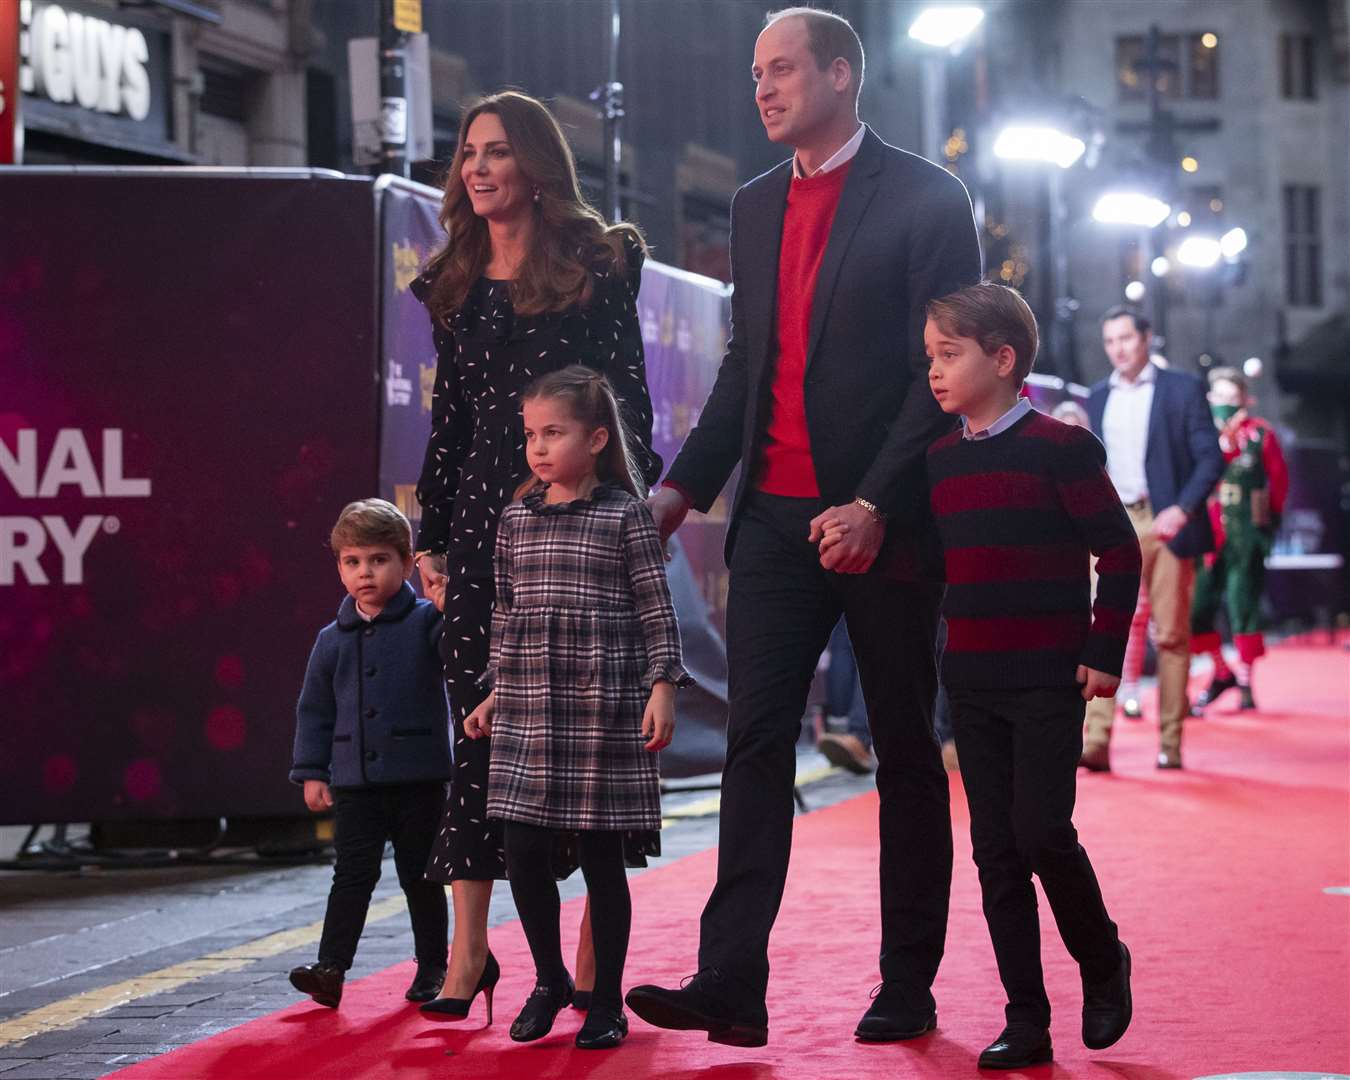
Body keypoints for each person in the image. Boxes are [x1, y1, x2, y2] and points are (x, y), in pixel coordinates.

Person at [626, 7, 981, 1048]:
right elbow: (749, 365)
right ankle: (731, 980)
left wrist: (876, 500)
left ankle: (907, 981)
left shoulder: (927, 196)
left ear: (841, 73)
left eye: (781, 70)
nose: (762, 89)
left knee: (907, 748)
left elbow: (942, 368)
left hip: (886, 521)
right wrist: (678, 493)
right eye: (754, 73)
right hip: (774, 524)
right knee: (753, 743)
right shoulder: (751, 205)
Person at [408, 90, 663, 1017]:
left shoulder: (597, 265)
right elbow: (450, 424)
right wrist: (430, 534)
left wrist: (617, 505)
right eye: (468, 151)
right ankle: (471, 956)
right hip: (482, 537)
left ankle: (594, 952)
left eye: (498, 152)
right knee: (481, 735)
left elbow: (627, 400)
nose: (477, 168)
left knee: (591, 739)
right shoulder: (453, 281)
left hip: (582, 530)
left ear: (537, 167)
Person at [916, 283, 1138, 1068]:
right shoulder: (939, 461)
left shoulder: (1061, 448)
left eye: (951, 355)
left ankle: (1103, 957)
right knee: (995, 852)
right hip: (972, 679)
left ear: (1003, 360)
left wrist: (1103, 651)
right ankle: (1026, 1016)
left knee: (1043, 831)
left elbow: (1118, 550)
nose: (935, 372)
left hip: (1048, 676)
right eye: (930, 356)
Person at [464, 366, 692, 1050]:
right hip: (532, 700)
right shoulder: (514, 520)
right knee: (524, 849)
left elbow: (657, 609)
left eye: (553, 433)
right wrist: (496, 691)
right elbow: (506, 615)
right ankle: (547, 978)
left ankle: (606, 1000)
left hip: (602, 705)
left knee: (601, 857)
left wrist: (662, 687)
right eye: (530, 434)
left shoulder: (625, 515)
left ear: (595, 439)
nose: (537, 447)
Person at [287, 499, 452, 1009]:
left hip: (418, 778)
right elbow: (314, 710)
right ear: (339, 566)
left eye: (378, 560)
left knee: (420, 875)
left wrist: (452, 611)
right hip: (354, 781)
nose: (365, 573)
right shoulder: (330, 640)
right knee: (352, 874)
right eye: (352, 562)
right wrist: (313, 772)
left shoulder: (429, 623)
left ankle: (434, 966)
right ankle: (331, 967)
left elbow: (464, 661)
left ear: (407, 563)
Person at [1081, 308, 1224, 771]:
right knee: (1103, 632)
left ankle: (1171, 742)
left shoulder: (1181, 389)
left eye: (1126, 338)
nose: (1118, 348)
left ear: (1148, 338)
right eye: (1110, 341)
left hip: (1165, 524)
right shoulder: (1098, 396)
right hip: (1113, 524)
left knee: (1172, 635)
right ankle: (1096, 742)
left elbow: (1209, 458)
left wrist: (1181, 509)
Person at [1190, 367, 1289, 712]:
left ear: (1245, 400)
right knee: (1197, 608)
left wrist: (1268, 527)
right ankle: (1221, 671)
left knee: (1243, 605)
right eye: (1219, 397)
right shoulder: (1200, 435)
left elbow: (1278, 482)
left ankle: (1246, 682)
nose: (1225, 405)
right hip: (1207, 533)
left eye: (1232, 398)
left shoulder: (1260, 435)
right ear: (1208, 399)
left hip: (1245, 531)